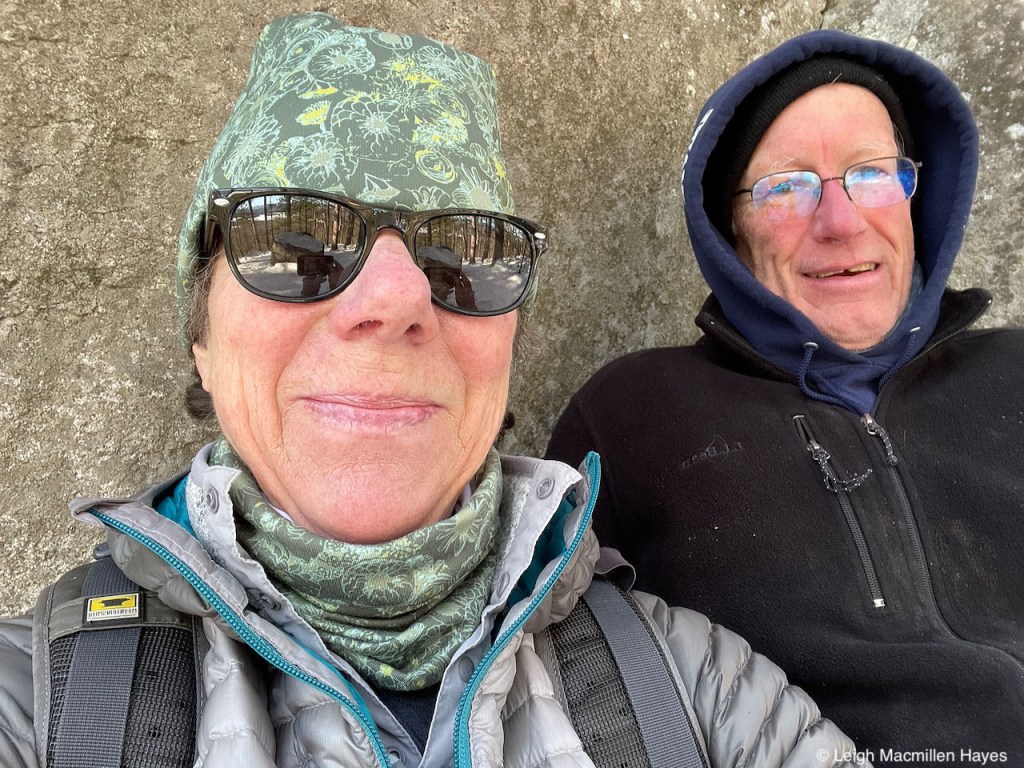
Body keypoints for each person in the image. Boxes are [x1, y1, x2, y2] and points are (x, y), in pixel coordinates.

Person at [0, 13, 864, 768]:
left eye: (464, 255)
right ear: (201, 336)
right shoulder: (39, 702)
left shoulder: (700, 687)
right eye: (293, 243)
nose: (396, 299)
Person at [546, 27, 1024, 763]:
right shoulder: (631, 415)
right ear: (729, 230)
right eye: (786, 187)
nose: (841, 222)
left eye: (872, 174)